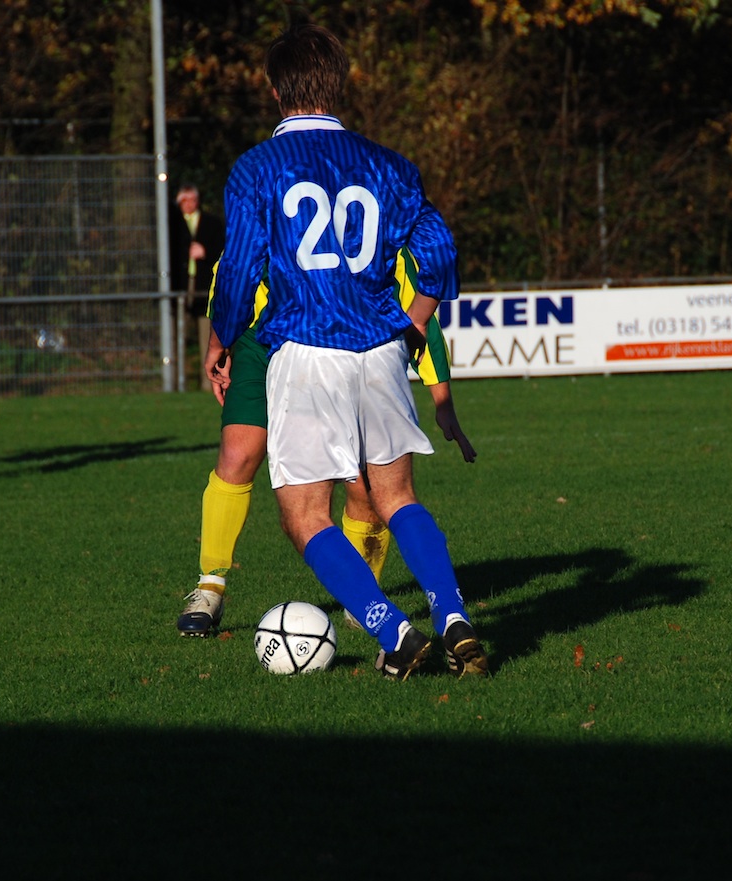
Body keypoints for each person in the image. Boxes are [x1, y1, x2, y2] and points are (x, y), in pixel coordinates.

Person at [208, 23, 487, 679]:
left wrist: (222, 340)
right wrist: (412, 324)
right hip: (380, 349)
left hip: (306, 350)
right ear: (339, 85)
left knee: (305, 514)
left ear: (275, 90)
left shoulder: (256, 168)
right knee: (397, 497)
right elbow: (440, 255)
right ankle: (451, 613)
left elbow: (240, 269)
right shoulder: (390, 165)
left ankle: (395, 632)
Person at [177, 248, 477, 638]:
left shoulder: (379, 231)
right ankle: (210, 587)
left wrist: (442, 399)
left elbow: (417, 311)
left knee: (364, 486)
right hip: (261, 342)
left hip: (342, 343)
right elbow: (233, 267)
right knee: (238, 454)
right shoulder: (272, 212)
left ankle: (365, 601)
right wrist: (222, 339)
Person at [168, 184, 226, 390]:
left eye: (192, 200)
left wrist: (205, 252)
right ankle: (173, 382)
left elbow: (223, 251)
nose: (189, 204)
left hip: (204, 287)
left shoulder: (212, 223)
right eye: (184, 201)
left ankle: (208, 382)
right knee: (175, 336)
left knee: (207, 336)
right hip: (179, 287)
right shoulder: (170, 224)